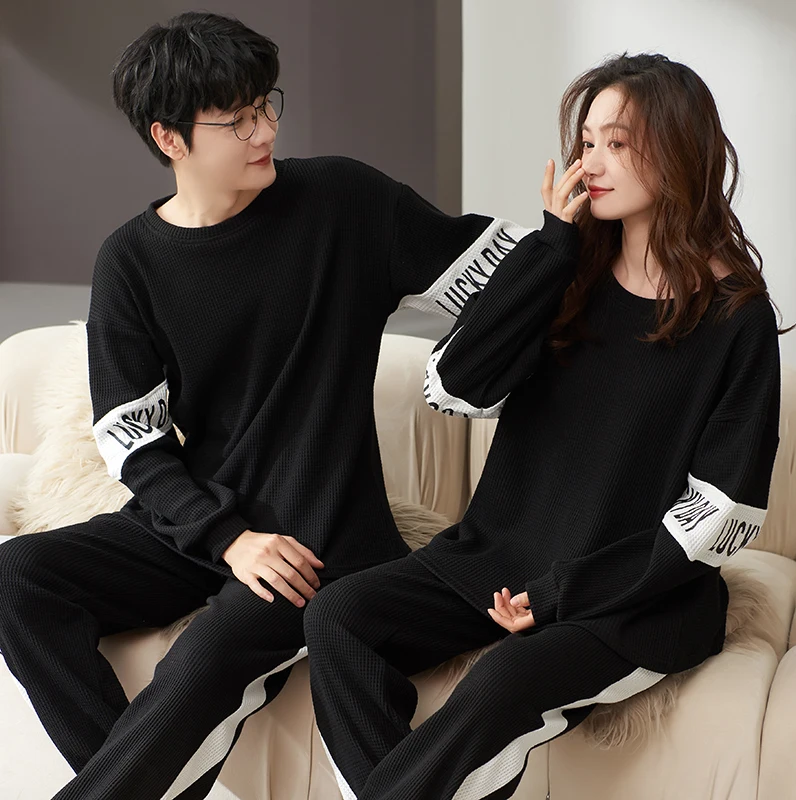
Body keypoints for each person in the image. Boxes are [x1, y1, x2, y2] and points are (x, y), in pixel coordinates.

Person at [0, 11, 553, 800]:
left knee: (205, 656)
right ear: (169, 138)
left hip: (319, 536)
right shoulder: (130, 259)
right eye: (237, 120)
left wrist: (569, 240)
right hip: (205, 526)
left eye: (266, 105)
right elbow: (133, 440)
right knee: (17, 576)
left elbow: (496, 270)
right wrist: (227, 537)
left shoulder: (342, 202)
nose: (264, 131)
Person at [303, 52, 792, 800]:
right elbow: (457, 383)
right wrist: (550, 249)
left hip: (637, 598)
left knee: (504, 680)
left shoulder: (735, 317)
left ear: (678, 149)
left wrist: (565, 593)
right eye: (586, 142)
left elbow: (718, 514)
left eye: (617, 143)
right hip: (500, 558)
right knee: (338, 616)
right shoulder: (565, 270)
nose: (590, 163)